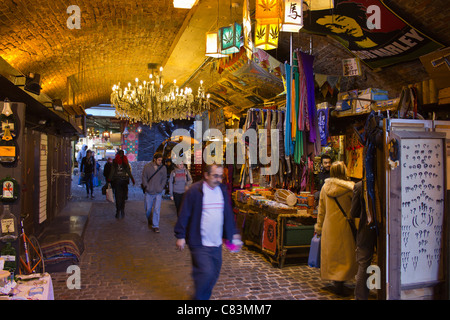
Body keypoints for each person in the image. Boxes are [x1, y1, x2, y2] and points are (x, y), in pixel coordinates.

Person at [174, 164, 240, 300]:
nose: (219, 179)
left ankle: (201, 296)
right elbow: (184, 213)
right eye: (215, 176)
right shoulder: (194, 191)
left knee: (214, 273)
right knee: (206, 272)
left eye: (221, 176)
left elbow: (227, 213)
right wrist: (180, 235)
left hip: (215, 243)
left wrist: (232, 233)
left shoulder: (221, 189)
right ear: (206, 175)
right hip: (199, 242)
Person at [314, 161, 357, 296]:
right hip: (345, 226)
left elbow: (321, 210)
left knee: (332, 254)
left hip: (329, 225)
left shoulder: (325, 188)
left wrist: (319, 227)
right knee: (345, 255)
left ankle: (336, 282)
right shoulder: (351, 189)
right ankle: (342, 281)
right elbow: (355, 211)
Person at [349, 180, 377, 300]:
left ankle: (361, 297)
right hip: (387, 229)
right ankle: (381, 293)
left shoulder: (361, 185)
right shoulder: (390, 181)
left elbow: (354, 212)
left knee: (364, 263)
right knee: (384, 261)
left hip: (367, 228)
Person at [142, 153, 167, 232]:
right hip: (149, 191)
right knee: (148, 209)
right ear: (154, 159)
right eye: (159, 160)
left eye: (161, 160)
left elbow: (164, 179)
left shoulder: (163, 168)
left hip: (158, 192)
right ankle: (150, 218)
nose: (160, 162)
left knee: (157, 209)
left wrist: (161, 187)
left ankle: (156, 225)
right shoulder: (147, 167)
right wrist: (147, 187)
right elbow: (144, 177)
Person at [108, 150, 135, 219]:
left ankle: (118, 211)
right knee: (123, 196)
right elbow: (128, 171)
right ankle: (122, 210)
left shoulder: (115, 161)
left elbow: (112, 171)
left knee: (117, 196)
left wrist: (109, 180)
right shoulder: (125, 160)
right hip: (124, 180)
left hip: (117, 181)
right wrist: (132, 179)